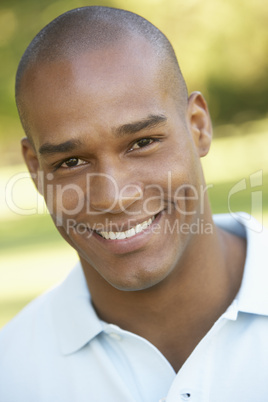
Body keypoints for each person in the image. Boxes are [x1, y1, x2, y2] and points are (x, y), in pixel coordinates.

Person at [0, 6, 267, 402]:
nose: (114, 197)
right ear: (36, 171)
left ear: (197, 126)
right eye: (70, 162)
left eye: (142, 143)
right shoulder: (11, 372)